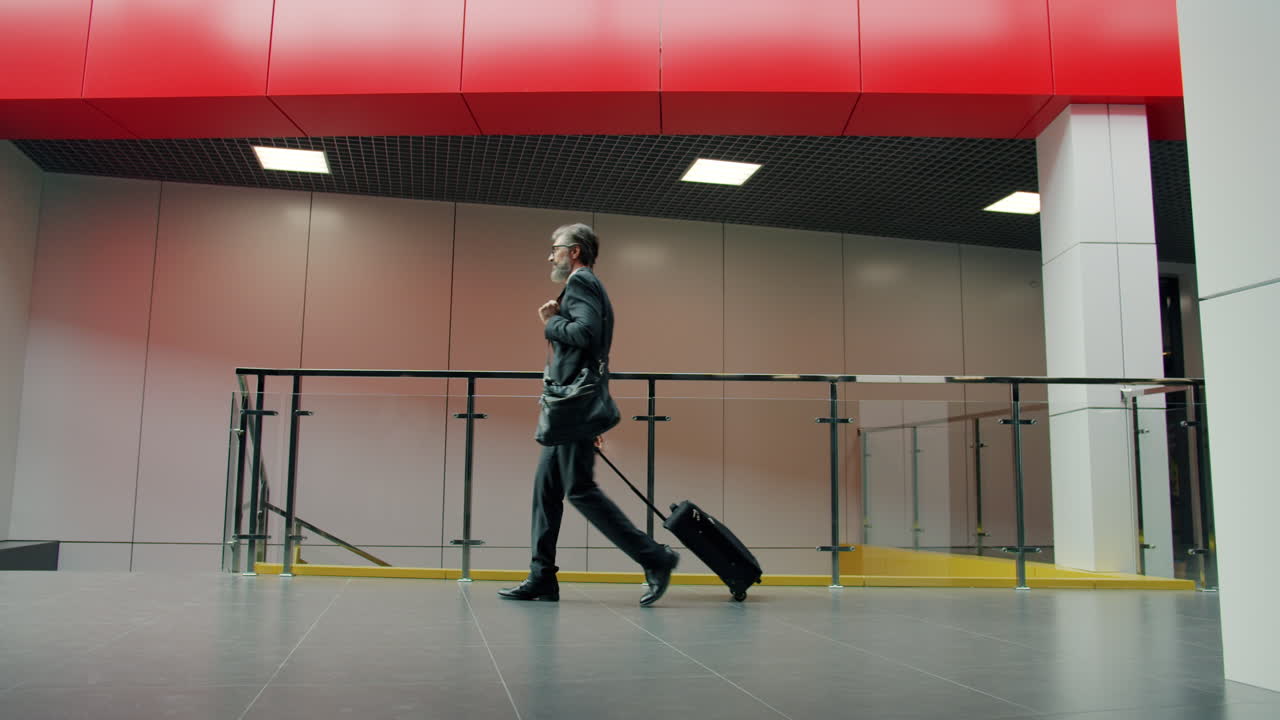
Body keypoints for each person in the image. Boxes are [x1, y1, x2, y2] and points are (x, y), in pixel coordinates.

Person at [499, 223, 680, 606]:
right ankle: (541, 577)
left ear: (575, 251)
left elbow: (586, 334)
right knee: (546, 492)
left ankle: (656, 558)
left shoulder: (582, 283)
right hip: (569, 411)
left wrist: (550, 322)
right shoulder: (584, 285)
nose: (551, 256)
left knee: (579, 490)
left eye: (555, 249)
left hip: (571, 410)